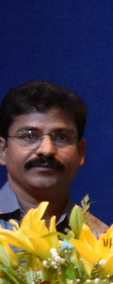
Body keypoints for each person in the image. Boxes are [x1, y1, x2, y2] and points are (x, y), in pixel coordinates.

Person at [0, 81, 89, 224]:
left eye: (61, 137)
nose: (47, 150)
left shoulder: (102, 240)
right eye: (29, 136)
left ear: (81, 151)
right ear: (3, 150)